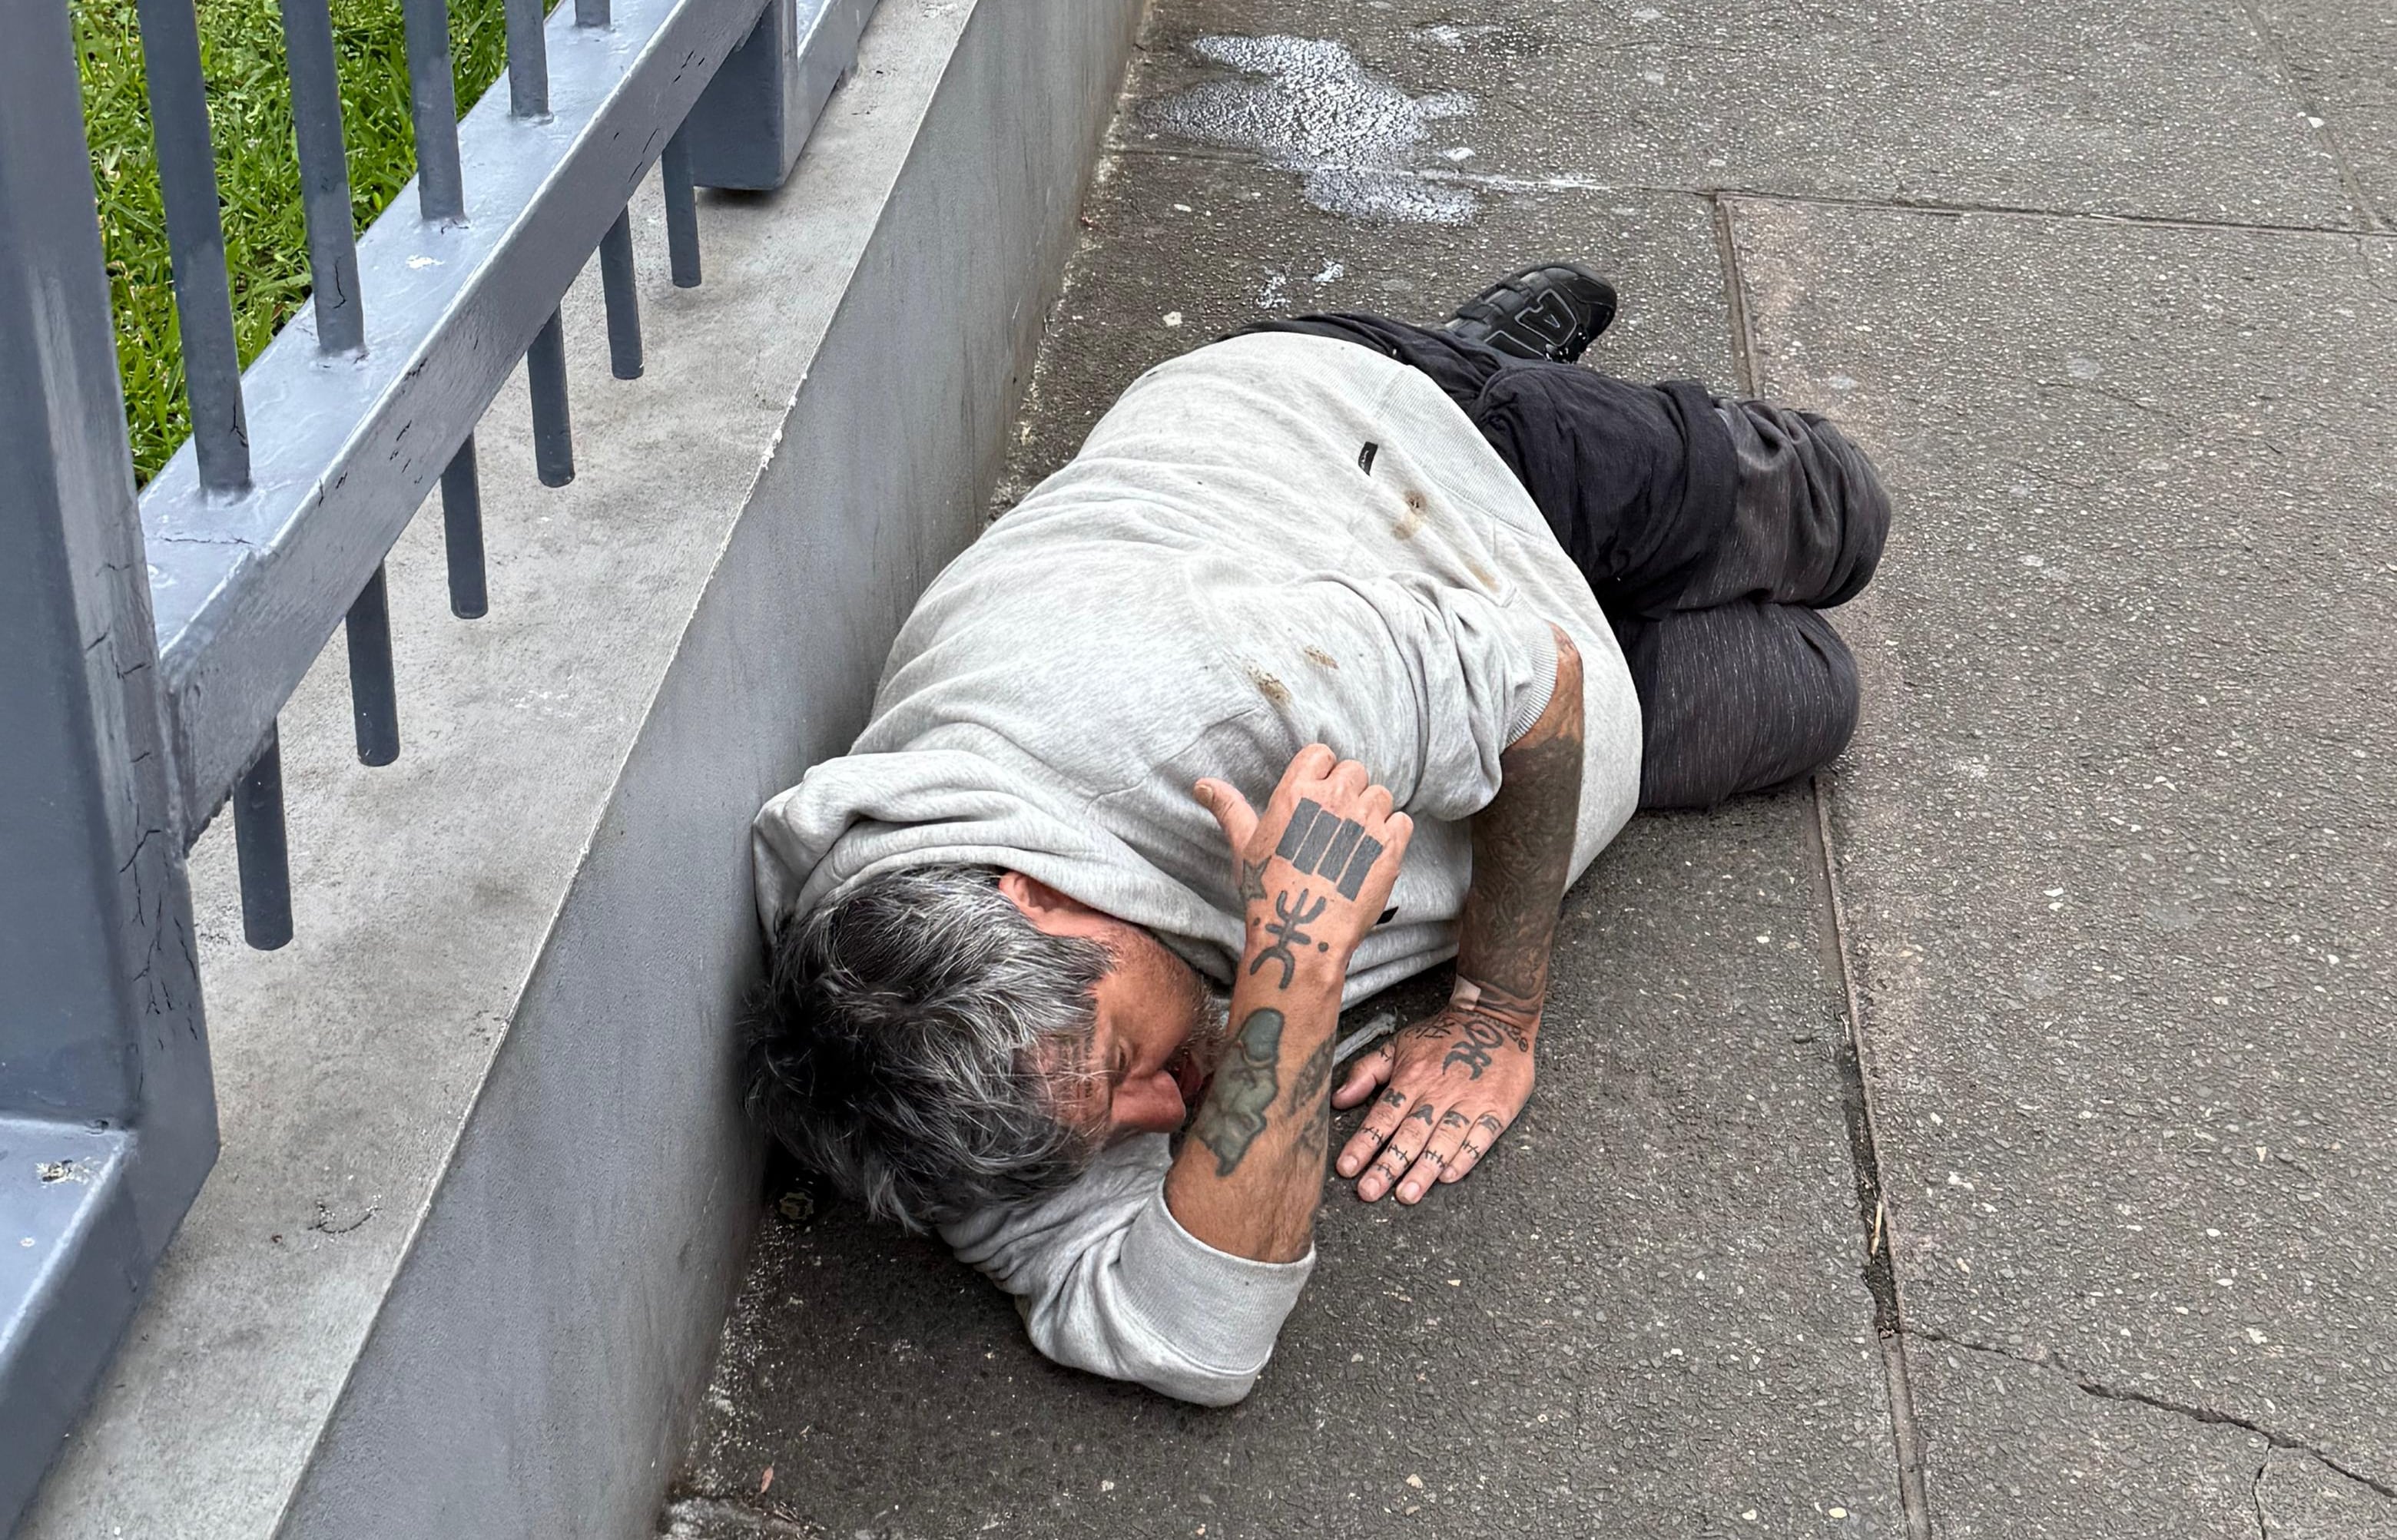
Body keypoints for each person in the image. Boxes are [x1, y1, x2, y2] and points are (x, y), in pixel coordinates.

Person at [746, 263, 1891, 1405]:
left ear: (1034, 894)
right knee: (1815, 691)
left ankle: (1487, 353)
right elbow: (1197, 1339)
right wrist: (1291, 976)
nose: (1165, 1116)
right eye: (1112, 1128)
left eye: (1125, 1066)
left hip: (1414, 451)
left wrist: (1494, 1012)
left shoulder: (1209, 701)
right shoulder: (958, 1080)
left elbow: (1541, 685)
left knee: (1840, 522)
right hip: (1454, 654)